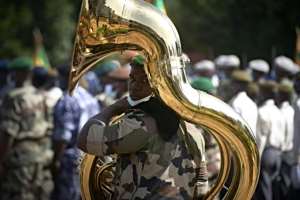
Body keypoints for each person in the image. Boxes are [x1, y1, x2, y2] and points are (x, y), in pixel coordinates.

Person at [77, 55, 208, 199]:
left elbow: (85, 139)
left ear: (163, 83)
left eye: (145, 80)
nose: (135, 85)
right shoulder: (194, 130)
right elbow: (202, 188)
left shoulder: (139, 124)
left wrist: (112, 109)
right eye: (132, 78)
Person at [0, 57, 53, 200]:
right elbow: (49, 128)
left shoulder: (13, 97)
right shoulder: (42, 96)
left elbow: (8, 133)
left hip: (19, 159)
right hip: (40, 156)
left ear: (18, 73)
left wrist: (1, 160)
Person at [51, 64, 100, 200]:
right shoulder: (91, 98)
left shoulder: (67, 100)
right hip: (90, 157)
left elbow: (63, 136)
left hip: (71, 159)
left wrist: (56, 160)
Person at [254, 80, 285, 200]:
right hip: (278, 153)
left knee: (265, 189)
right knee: (275, 187)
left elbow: (262, 137)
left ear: (264, 93)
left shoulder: (262, 111)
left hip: (267, 153)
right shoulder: (279, 111)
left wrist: (258, 157)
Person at [276, 79, 295, 199]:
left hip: (286, 152)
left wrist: (282, 148)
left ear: (283, 95)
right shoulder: (290, 110)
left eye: (278, 93)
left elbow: (287, 134)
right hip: (289, 152)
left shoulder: (284, 111)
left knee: (285, 185)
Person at [229, 70, 258, 137]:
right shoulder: (252, 103)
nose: (231, 85)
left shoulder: (235, 103)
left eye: (233, 83)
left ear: (238, 85)